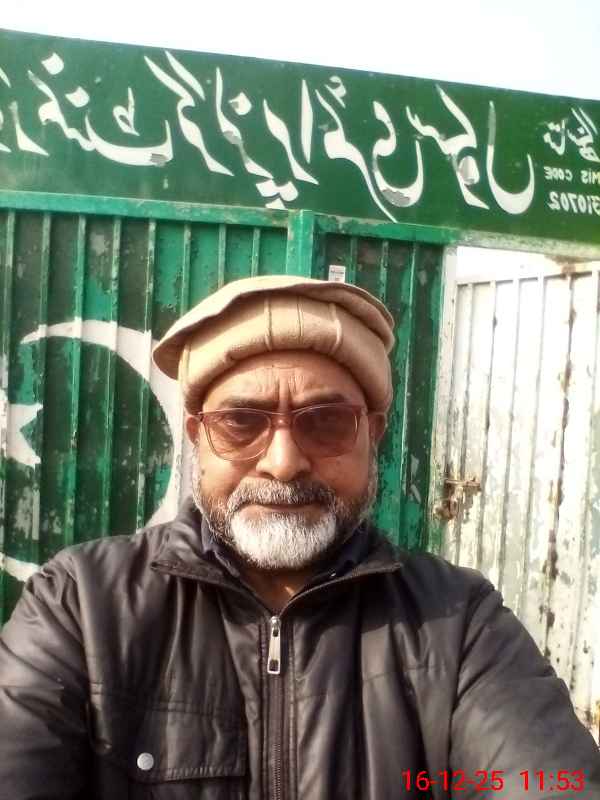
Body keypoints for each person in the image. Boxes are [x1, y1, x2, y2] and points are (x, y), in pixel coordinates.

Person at [0, 274, 598, 800]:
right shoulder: (82, 605)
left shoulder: (458, 622)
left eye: (327, 422)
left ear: (373, 435)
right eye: (241, 422)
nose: (283, 463)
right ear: (197, 437)